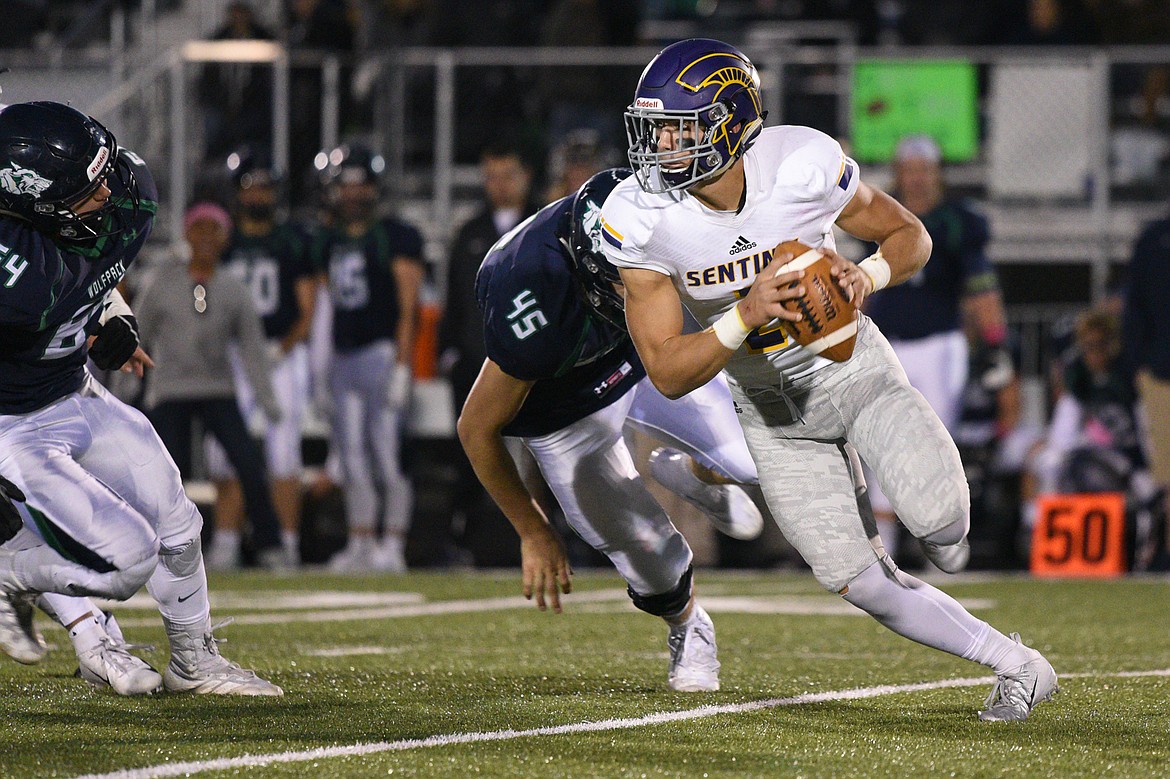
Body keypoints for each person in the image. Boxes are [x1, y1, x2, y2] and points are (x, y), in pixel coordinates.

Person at [601, 39, 1057, 721]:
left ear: (729, 123)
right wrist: (743, 315)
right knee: (860, 581)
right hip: (768, 413)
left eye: (678, 126)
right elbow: (666, 369)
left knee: (943, 528)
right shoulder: (640, 217)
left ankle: (929, 522)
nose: (661, 144)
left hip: (852, 373)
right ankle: (1021, 665)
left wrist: (863, 273)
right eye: (655, 127)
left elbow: (911, 236)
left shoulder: (799, 164)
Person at [0, 100, 280, 695]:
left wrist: (111, 313)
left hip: (73, 390)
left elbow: (93, 270)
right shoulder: (17, 277)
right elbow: (54, 283)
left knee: (179, 522)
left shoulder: (120, 191)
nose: (105, 195)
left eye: (101, 176)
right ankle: (13, 578)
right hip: (13, 424)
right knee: (123, 561)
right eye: (84, 192)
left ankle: (194, 663)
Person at [458, 168, 763, 692]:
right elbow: (475, 427)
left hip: (644, 355)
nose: (644, 281)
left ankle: (691, 471)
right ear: (592, 272)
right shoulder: (528, 293)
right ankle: (689, 626)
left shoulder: (647, 212)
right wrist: (533, 530)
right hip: (566, 409)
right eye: (628, 275)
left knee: (755, 457)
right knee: (648, 556)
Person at [863, 133, 1009, 560]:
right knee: (876, 442)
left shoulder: (956, 221)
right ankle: (883, 554)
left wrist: (996, 343)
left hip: (940, 345)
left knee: (934, 441)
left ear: (937, 174)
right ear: (898, 174)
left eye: (924, 170)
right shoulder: (879, 212)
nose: (917, 179)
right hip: (887, 345)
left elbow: (981, 287)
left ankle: (944, 540)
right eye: (909, 170)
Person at [134, 202, 287, 571]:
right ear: (186, 233)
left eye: (212, 229)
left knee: (249, 464)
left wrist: (267, 400)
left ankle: (270, 544)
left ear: (224, 236)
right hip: (170, 389)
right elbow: (136, 334)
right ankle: (149, 547)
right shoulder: (162, 281)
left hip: (218, 388)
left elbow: (251, 346)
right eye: (198, 229)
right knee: (164, 473)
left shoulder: (233, 287)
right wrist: (126, 391)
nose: (204, 237)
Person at [310, 144, 424, 572]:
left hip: (381, 354)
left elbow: (408, 305)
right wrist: (320, 371)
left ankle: (392, 543)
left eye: (360, 183)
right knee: (351, 455)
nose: (352, 193)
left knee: (387, 453)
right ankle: (361, 541)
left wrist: (401, 365)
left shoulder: (394, 235)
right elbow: (324, 308)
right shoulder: (327, 240)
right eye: (346, 183)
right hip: (342, 356)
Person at [204, 155, 316, 569]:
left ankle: (285, 544)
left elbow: (308, 308)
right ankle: (227, 542)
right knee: (223, 453)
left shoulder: (292, 240)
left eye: (265, 186)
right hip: (231, 356)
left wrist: (281, 349)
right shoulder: (223, 240)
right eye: (251, 186)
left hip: (278, 354)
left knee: (284, 452)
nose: (258, 194)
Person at [1122, 208, 1170, 568]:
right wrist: (1139, 363)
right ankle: (1165, 552)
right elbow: (1134, 304)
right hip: (1161, 372)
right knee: (1166, 475)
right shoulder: (1154, 238)